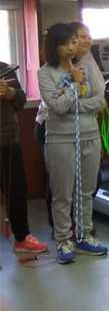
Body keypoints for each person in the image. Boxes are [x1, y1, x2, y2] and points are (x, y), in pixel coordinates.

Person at [38, 23, 108, 264]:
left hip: (90, 135)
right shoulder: (45, 73)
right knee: (63, 194)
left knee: (86, 191)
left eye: (74, 42)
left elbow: (100, 100)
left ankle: (84, 235)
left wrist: (75, 104)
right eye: (66, 43)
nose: (72, 47)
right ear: (54, 46)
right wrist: (76, 85)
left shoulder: (86, 66)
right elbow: (57, 107)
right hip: (60, 139)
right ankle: (63, 240)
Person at [0, 62, 48, 253]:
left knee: (17, 190)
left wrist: (10, 93)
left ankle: (22, 238)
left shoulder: (4, 68)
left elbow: (21, 101)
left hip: (8, 141)